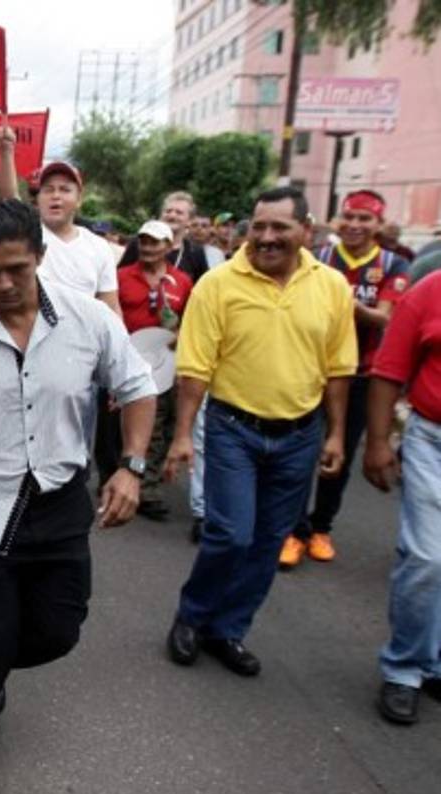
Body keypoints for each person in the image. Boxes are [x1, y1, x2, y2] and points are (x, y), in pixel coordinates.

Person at [0, 199, 156, 776]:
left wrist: (132, 465)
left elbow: (138, 388)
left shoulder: (89, 321)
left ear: (40, 258)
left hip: (59, 501)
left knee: (57, 633)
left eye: (16, 268)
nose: (3, 282)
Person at [163, 187, 357, 678]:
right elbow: (195, 368)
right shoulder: (219, 284)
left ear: (305, 232)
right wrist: (183, 435)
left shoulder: (332, 286)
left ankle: (228, 629)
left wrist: (335, 436)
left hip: (299, 436)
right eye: (258, 226)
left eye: (279, 228)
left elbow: (338, 368)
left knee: (269, 542)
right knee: (230, 534)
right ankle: (192, 616)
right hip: (233, 429)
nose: (266, 238)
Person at [280, 189, 411, 568]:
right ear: (339, 220)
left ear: (378, 224)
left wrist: (339, 298)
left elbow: (385, 317)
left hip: (363, 372)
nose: (355, 225)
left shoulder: (392, 264)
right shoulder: (319, 256)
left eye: (364, 219)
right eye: (349, 217)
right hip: (312, 368)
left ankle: (321, 527)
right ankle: (294, 530)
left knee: (340, 452)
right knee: (300, 450)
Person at [364, 270, 441, 724]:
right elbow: (389, 369)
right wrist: (376, 442)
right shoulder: (430, 290)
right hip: (431, 439)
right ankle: (406, 669)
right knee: (428, 557)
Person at [100, 219, 193, 519]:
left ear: (168, 246)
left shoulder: (182, 281)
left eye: (155, 242)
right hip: (125, 357)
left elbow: (192, 320)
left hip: (164, 363)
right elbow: (107, 312)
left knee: (159, 423)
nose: (149, 247)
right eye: (144, 241)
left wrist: (178, 336)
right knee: (113, 421)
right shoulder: (121, 276)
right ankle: (110, 474)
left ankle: (146, 486)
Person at [0, 158, 120, 316]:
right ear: (38, 199)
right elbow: (8, 200)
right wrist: (6, 151)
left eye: (65, 189)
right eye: (48, 189)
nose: (56, 195)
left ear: (79, 200)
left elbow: (109, 308)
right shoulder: (24, 235)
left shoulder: (100, 247)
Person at [119, 192, 212, 284]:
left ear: (190, 221)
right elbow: (119, 278)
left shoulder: (195, 252)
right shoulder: (139, 242)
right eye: (168, 211)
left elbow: (203, 285)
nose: (172, 216)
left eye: (179, 213)